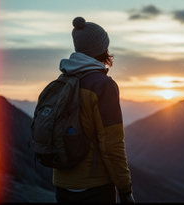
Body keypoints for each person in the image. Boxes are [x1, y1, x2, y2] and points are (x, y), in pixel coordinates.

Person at [53, 16, 135, 203]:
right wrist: (125, 189)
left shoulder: (62, 81)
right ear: (102, 49)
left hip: (62, 183)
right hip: (94, 187)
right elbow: (112, 143)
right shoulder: (102, 85)